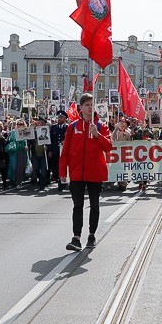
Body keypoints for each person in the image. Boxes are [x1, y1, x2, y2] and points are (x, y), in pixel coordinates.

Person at [60, 93, 112, 251]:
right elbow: (66, 151)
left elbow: (109, 146)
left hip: (95, 172)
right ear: (80, 108)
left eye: (92, 104)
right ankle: (76, 238)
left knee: (94, 205)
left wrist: (97, 135)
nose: (90, 107)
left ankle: (91, 234)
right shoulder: (73, 127)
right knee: (78, 205)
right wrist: (63, 171)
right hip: (77, 173)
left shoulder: (101, 126)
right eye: (87, 104)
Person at [49, 110, 69, 192]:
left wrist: (65, 141)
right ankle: (59, 180)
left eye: (61, 117)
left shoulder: (68, 127)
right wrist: (50, 150)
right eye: (59, 117)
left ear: (65, 119)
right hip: (55, 151)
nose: (59, 119)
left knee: (64, 167)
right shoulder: (53, 127)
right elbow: (50, 139)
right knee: (56, 167)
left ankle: (62, 183)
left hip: (64, 151)